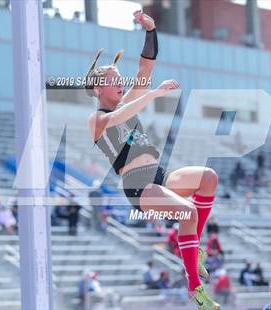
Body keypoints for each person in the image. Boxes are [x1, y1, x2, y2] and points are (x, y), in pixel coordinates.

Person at [86, 9, 220, 310]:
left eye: (120, 79)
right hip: (138, 186)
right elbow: (121, 115)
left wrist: (150, 31)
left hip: (159, 174)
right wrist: (154, 94)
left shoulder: (129, 100)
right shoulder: (96, 118)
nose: (120, 84)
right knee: (187, 211)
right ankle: (194, 288)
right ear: (98, 88)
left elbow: (145, 68)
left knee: (208, 177)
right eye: (113, 81)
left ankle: (194, 251)